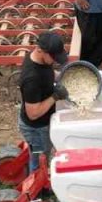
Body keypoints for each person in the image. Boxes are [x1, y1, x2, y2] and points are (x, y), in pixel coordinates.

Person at [19, 31, 69, 174]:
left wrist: (62, 77)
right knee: (40, 157)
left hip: (43, 121)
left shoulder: (39, 58)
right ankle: (37, 185)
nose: (54, 61)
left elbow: (48, 72)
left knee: (41, 152)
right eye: (53, 57)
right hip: (36, 127)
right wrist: (55, 96)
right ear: (41, 50)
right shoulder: (31, 79)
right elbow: (33, 114)